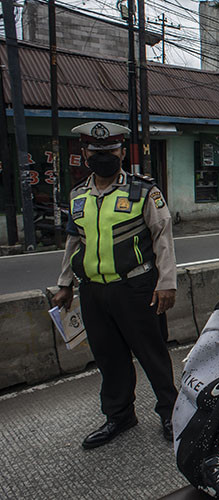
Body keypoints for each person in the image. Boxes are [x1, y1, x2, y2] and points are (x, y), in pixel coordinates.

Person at [52, 121, 178, 448]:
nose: (103, 157)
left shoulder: (143, 191)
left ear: (122, 152)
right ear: (85, 154)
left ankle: (170, 412)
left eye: (110, 151)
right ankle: (119, 415)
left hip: (136, 287)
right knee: (108, 357)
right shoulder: (78, 194)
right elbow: (73, 241)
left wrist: (166, 283)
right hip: (93, 291)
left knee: (152, 354)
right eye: (96, 152)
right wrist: (65, 283)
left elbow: (162, 238)